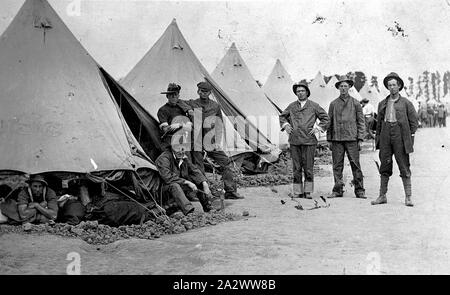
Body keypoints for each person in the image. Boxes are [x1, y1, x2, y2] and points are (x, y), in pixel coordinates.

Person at [181, 81, 243, 200]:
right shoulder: (192, 103)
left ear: (209, 93)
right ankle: (202, 194)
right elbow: (179, 101)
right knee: (198, 167)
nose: (202, 93)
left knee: (226, 162)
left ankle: (230, 191)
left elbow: (219, 123)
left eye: (205, 91)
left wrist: (217, 139)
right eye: (200, 90)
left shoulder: (215, 106)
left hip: (211, 140)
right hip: (197, 140)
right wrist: (188, 110)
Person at [371, 72, 419, 207]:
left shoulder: (406, 103)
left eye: (394, 85)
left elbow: (414, 122)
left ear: (399, 86)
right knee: (384, 165)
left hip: (400, 136)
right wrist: (378, 140)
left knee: (404, 165)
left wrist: (408, 137)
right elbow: (379, 124)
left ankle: (408, 197)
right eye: (389, 85)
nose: (392, 87)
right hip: (386, 134)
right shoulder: (382, 104)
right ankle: (382, 196)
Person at [279, 82, 329, 199]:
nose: (300, 93)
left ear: (307, 92)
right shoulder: (292, 106)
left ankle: (307, 191)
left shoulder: (314, 106)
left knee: (308, 167)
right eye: (298, 91)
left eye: (302, 91)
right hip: (295, 140)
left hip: (309, 140)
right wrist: (286, 125)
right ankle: (298, 191)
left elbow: (326, 118)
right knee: (296, 167)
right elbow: (282, 116)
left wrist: (318, 127)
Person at [327, 76, 366, 199]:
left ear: (349, 87)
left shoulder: (355, 103)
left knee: (355, 165)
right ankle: (338, 190)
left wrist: (360, 138)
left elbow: (361, 122)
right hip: (337, 139)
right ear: (338, 88)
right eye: (341, 86)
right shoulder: (333, 104)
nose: (343, 88)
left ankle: (359, 191)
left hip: (352, 139)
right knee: (337, 165)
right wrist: (329, 139)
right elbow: (329, 122)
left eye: (345, 86)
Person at [155, 142, 213, 213]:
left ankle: (208, 207)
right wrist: (187, 182)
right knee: (175, 186)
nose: (180, 151)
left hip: (179, 185)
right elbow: (167, 177)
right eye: (177, 148)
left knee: (198, 181)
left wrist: (204, 184)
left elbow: (194, 171)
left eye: (182, 149)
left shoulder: (183, 157)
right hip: (163, 190)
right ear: (172, 148)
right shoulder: (164, 158)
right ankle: (189, 212)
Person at [157, 83, 193, 150]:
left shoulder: (182, 108)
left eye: (175, 95)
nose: (173, 97)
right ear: (167, 96)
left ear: (178, 96)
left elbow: (190, 126)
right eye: (171, 95)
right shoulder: (162, 110)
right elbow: (165, 130)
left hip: (185, 141)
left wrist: (181, 125)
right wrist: (180, 126)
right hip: (170, 143)